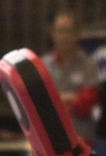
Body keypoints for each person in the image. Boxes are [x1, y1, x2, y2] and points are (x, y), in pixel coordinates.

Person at [41, 11, 100, 142]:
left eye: (68, 31)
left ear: (77, 33)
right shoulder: (43, 64)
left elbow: (86, 103)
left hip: (81, 137)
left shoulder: (88, 64)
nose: (64, 36)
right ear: (53, 34)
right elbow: (41, 102)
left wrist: (56, 98)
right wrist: (71, 96)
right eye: (60, 31)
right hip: (51, 137)